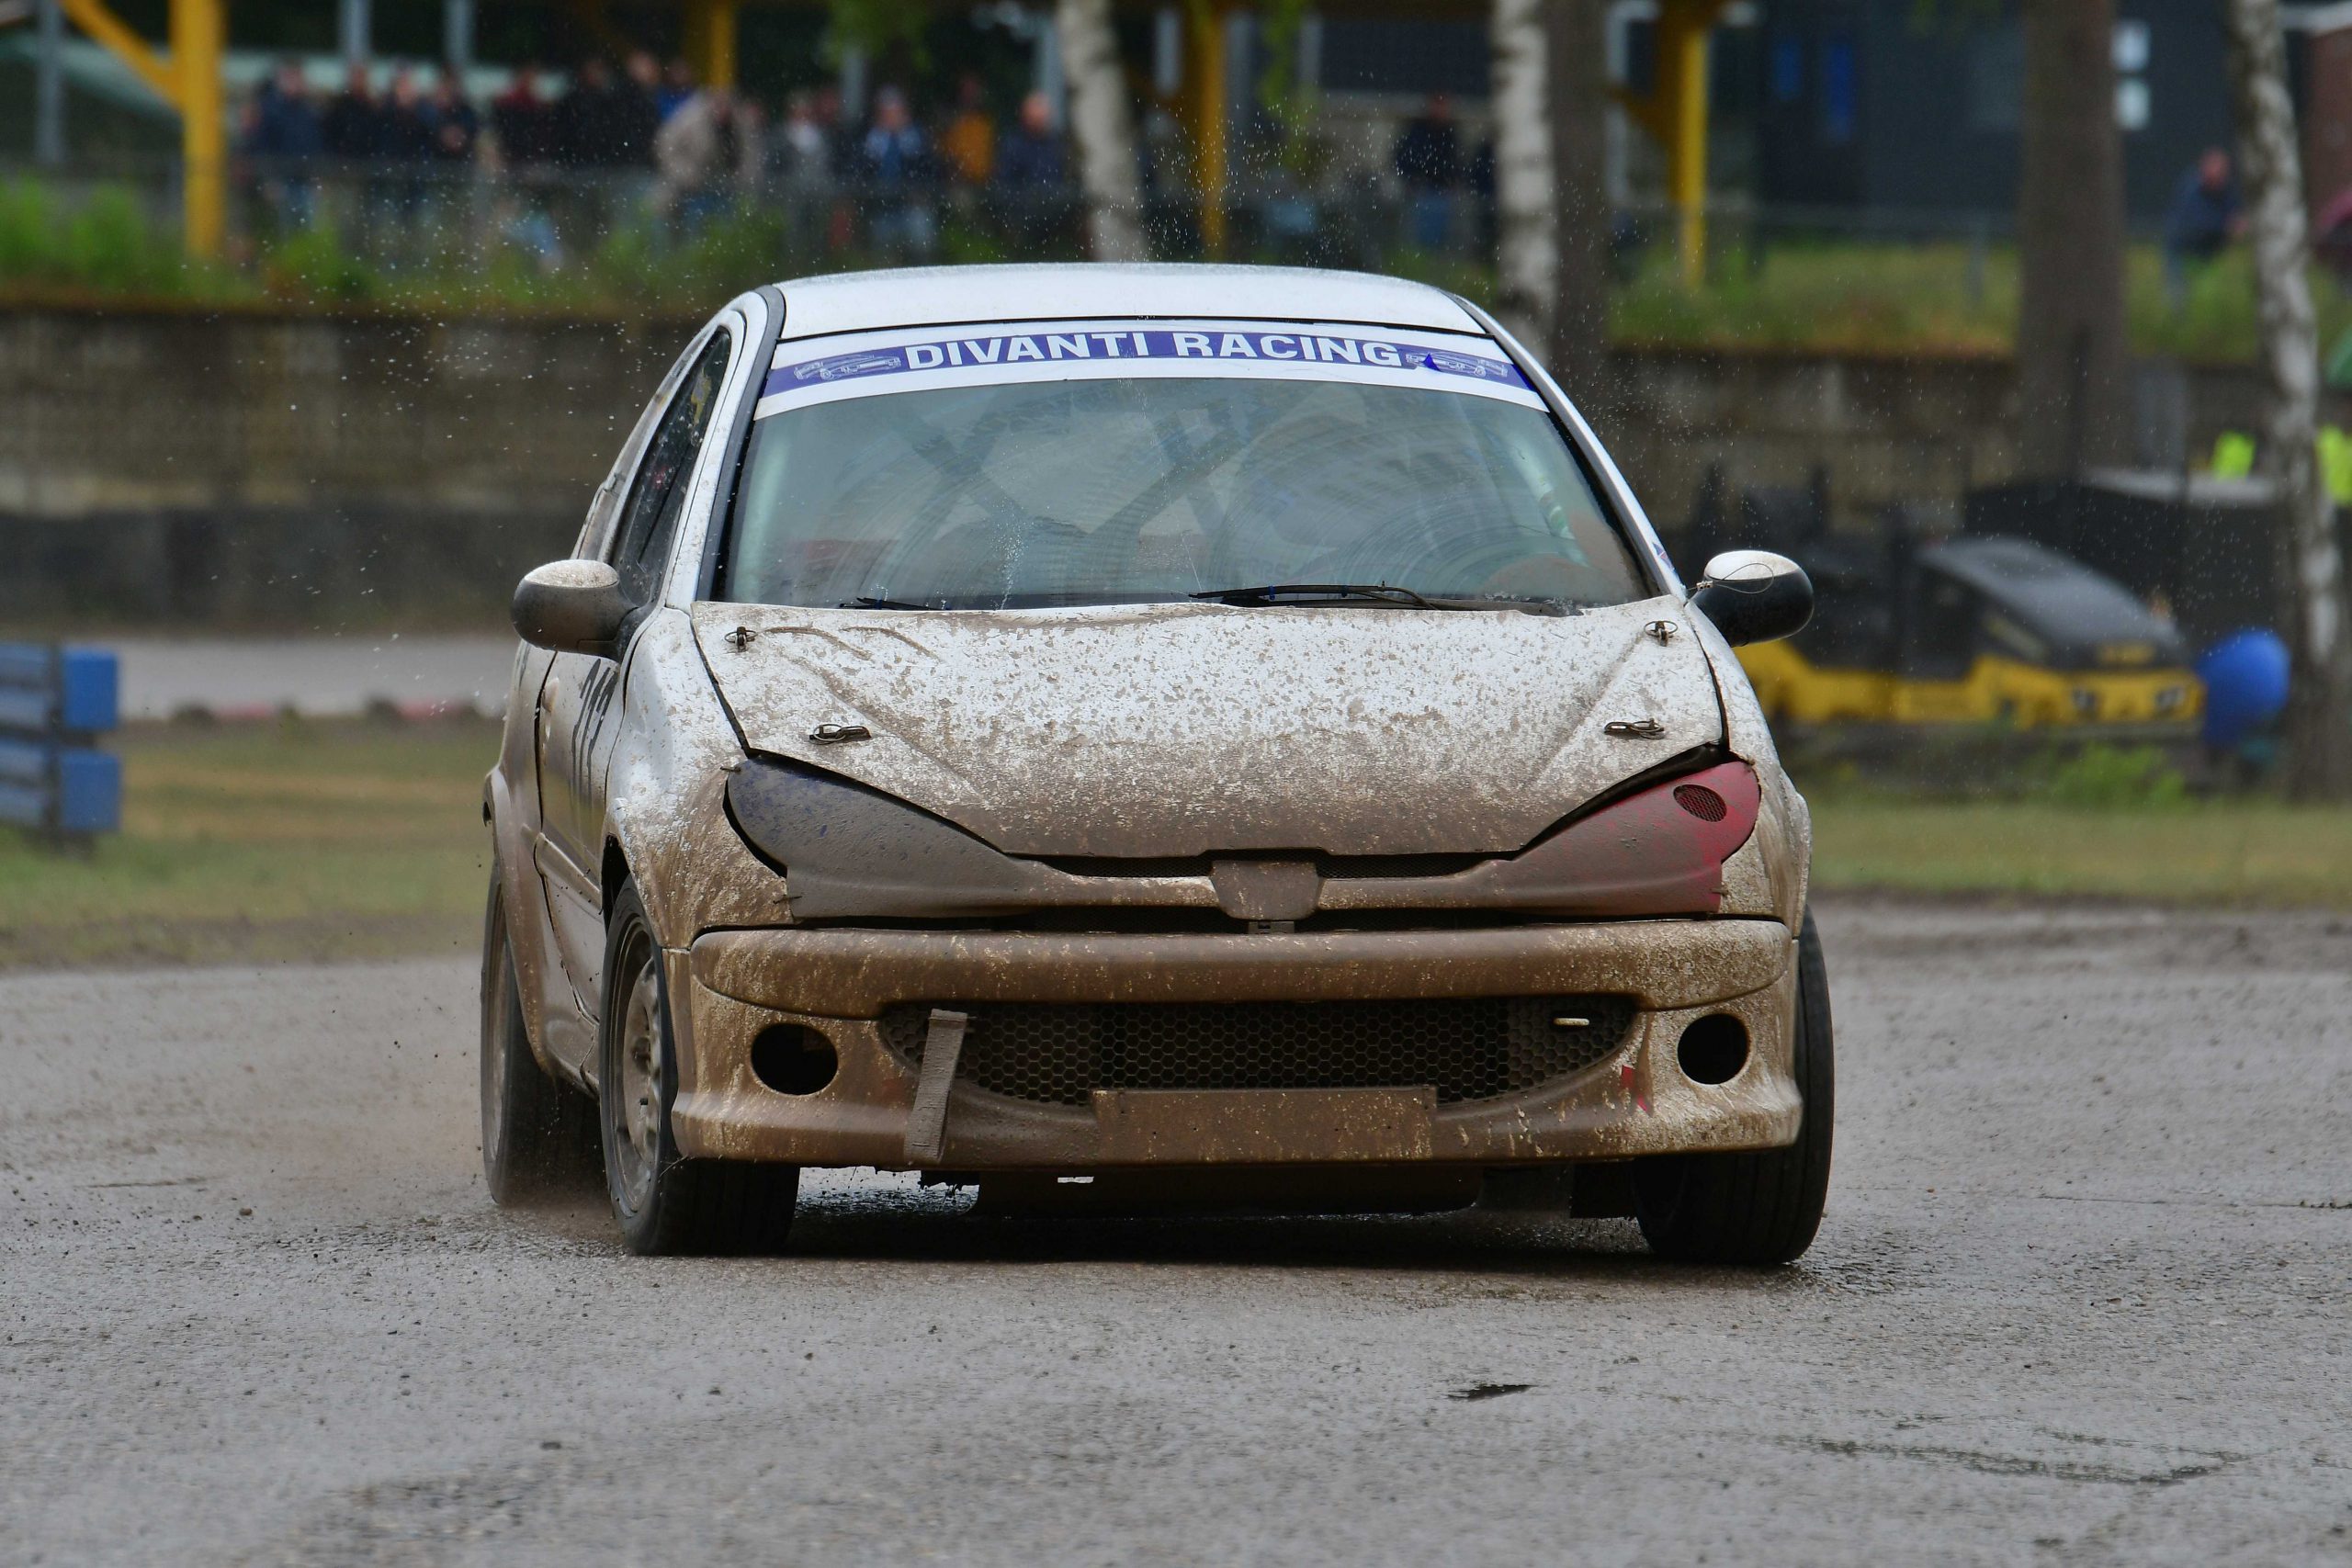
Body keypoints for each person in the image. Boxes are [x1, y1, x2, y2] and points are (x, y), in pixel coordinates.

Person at [654, 84, 757, 233]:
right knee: (692, 224)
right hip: (689, 186)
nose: (723, 110)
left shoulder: (739, 123)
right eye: (719, 105)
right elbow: (665, 145)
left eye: (726, 105)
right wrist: (685, 173)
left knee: (726, 226)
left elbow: (750, 154)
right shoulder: (690, 118)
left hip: (725, 184)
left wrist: (744, 179)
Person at [241, 59, 323, 233]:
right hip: (282, 180)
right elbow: (262, 146)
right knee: (282, 229)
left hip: (304, 180)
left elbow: (315, 145)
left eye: (298, 78)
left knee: (306, 229)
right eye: (292, 78)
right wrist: (269, 179)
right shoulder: (270, 110)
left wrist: (317, 176)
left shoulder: (308, 111)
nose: (296, 83)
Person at [860, 87, 936, 261]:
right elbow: (862, 172)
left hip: (912, 205)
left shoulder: (916, 138)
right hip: (881, 206)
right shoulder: (871, 139)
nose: (891, 118)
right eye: (887, 114)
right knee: (882, 245)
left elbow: (927, 169)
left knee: (920, 234)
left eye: (895, 113)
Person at [2164, 147, 2241, 305]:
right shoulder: (2190, 189)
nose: (2218, 176)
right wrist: (2227, 227)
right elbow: (2197, 223)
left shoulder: (2226, 191)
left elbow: (2236, 216)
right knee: (2179, 297)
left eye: (2222, 171)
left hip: (2209, 255)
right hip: (2181, 251)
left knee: (2211, 297)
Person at [993, 91, 1068, 249]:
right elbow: (1005, 183)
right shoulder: (1013, 144)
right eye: (1036, 116)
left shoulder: (1056, 144)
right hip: (1023, 213)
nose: (1041, 120)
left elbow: (1062, 177)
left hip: (1055, 214)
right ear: (1025, 116)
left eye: (1043, 116)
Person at [1392, 94, 1460, 251]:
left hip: (1442, 193)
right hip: (1418, 192)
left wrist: (1451, 182)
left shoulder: (1450, 134)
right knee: (1415, 236)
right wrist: (1411, 179)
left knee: (1441, 236)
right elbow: (1404, 157)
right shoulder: (1417, 131)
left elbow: (1455, 162)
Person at [939, 74, 996, 190]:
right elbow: (945, 153)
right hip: (958, 183)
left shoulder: (985, 121)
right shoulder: (952, 122)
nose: (971, 95)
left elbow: (991, 154)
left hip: (984, 183)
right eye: (967, 90)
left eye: (974, 90)